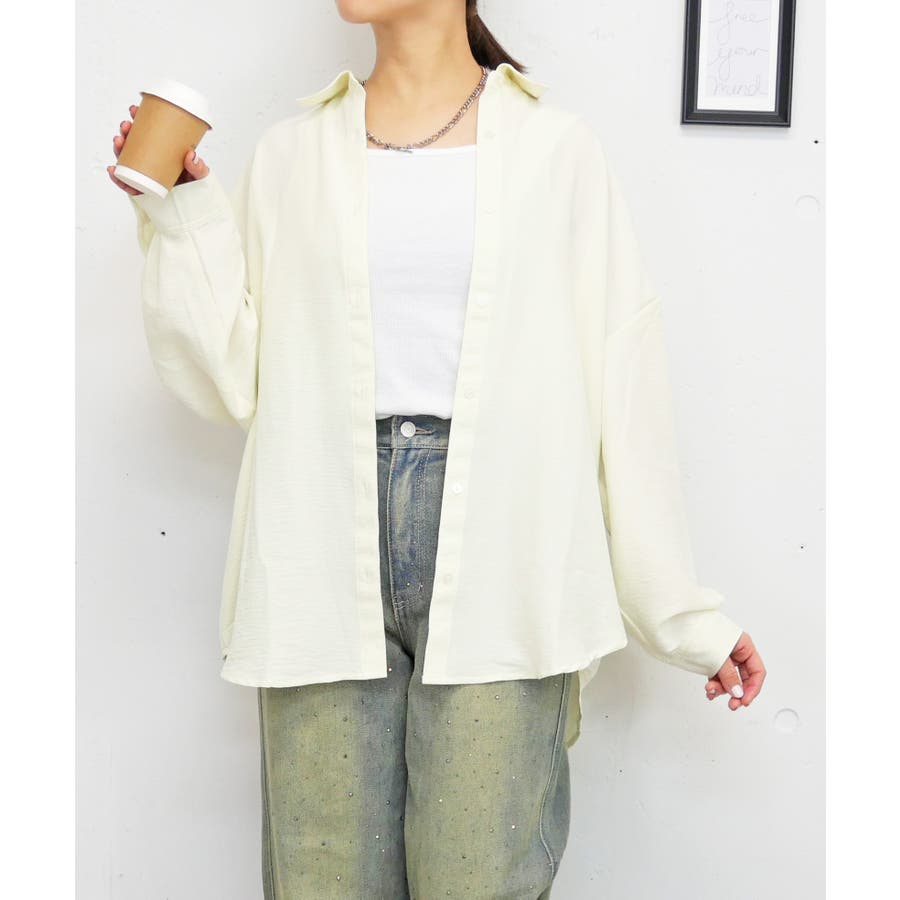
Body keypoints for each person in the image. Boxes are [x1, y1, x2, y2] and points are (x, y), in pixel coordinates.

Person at [108, 1, 767, 896]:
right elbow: (227, 377)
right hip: (315, 548)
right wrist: (180, 210)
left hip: (508, 556)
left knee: (477, 880)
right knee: (321, 883)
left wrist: (681, 616)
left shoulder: (556, 152)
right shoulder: (293, 155)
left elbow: (625, 386)